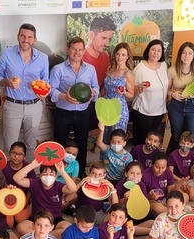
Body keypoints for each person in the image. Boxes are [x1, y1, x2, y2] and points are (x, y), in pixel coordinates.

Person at [0, 24, 50, 161]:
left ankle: (29, 177)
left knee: (31, 145)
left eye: (29, 37)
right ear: (18, 37)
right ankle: (9, 179)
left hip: (34, 106)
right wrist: (8, 83)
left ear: (34, 40)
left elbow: (46, 82)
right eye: (23, 36)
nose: (25, 40)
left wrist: (44, 93)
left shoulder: (43, 58)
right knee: (10, 145)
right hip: (12, 105)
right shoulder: (6, 54)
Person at [50, 37, 100, 171]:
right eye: (74, 49)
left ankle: (80, 172)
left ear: (84, 51)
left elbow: (96, 87)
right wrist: (64, 97)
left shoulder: (90, 69)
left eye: (80, 49)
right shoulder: (58, 69)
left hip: (83, 113)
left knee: (82, 145)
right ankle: (57, 172)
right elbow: (51, 90)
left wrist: (93, 94)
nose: (77, 52)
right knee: (59, 145)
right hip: (63, 112)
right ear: (68, 50)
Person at [13, 160, 78, 239]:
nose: (48, 176)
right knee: (20, 227)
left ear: (56, 177)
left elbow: (73, 189)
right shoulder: (35, 183)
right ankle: (49, 238)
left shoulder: (58, 186)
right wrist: (32, 165)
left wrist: (62, 172)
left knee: (69, 229)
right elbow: (16, 178)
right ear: (40, 175)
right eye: (45, 174)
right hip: (36, 218)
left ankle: (42, 237)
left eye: (51, 174)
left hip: (55, 219)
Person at [167, 42, 194, 147]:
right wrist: (173, 94)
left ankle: (190, 162)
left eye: (190, 53)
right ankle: (174, 162)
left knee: (192, 138)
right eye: (184, 53)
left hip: (192, 105)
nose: (186, 56)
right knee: (176, 137)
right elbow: (166, 90)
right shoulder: (172, 70)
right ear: (180, 54)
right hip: (176, 105)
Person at [131, 40, 168, 146]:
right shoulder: (140, 68)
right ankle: (137, 161)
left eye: (159, 50)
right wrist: (139, 89)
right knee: (141, 140)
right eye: (153, 50)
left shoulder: (164, 65)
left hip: (159, 111)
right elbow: (133, 90)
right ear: (148, 51)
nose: (156, 53)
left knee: (152, 141)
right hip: (143, 111)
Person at [84, 16, 117, 133]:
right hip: (81, 108)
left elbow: (103, 83)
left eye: (109, 39)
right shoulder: (79, 57)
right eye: (103, 38)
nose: (107, 43)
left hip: (99, 107)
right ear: (92, 35)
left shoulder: (105, 57)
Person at [100, 43, 135, 145]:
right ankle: (104, 161)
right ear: (115, 55)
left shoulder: (128, 73)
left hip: (119, 110)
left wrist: (124, 92)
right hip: (106, 108)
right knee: (105, 138)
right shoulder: (110, 69)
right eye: (118, 54)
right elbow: (104, 89)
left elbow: (131, 94)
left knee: (116, 140)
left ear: (128, 56)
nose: (120, 57)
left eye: (123, 55)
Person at [74, 160, 119, 226]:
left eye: (100, 174)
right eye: (94, 173)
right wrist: (80, 184)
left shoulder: (104, 187)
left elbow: (115, 206)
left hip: (97, 213)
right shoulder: (83, 184)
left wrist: (112, 188)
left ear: (104, 176)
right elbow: (69, 197)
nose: (96, 177)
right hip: (82, 213)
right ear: (89, 173)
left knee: (112, 221)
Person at [2, 141, 36, 225]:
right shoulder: (3, 166)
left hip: (23, 200)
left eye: (20, 154)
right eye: (14, 153)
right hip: (6, 200)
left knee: (20, 221)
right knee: (9, 224)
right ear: (9, 153)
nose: (16, 156)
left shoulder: (29, 168)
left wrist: (25, 202)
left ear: (24, 156)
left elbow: (32, 187)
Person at [168, 130, 194, 201]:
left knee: (192, 196)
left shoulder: (193, 156)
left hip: (189, 180)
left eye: (188, 144)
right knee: (181, 197)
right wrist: (181, 181)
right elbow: (170, 173)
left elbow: (193, 174)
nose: (185, 146)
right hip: (176, 179)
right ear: (179, 143)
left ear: (192, 145)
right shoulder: (173, 155)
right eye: (183, 143)